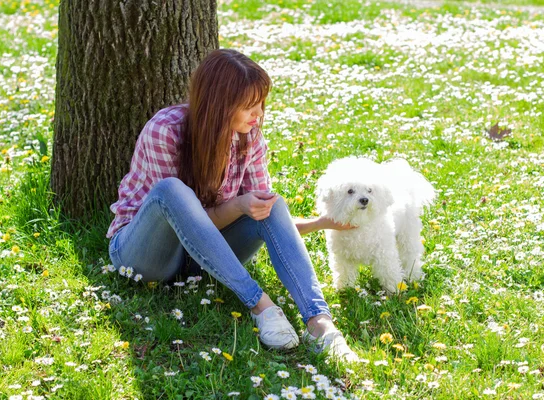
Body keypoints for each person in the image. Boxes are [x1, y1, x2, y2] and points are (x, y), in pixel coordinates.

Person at [107, 49, 359, 362]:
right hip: (145, 257)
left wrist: (321, 222)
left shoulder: (248, 136)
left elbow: (266, 219)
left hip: (203, 263)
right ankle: (261, 306)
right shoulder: (166, 132)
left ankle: (319, 323)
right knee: (172, 190)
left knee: (271, 203)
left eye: (261, 103)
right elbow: (181, 219)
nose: (259, 114)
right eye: (249, 105)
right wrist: (239, 205)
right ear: (219, 103)